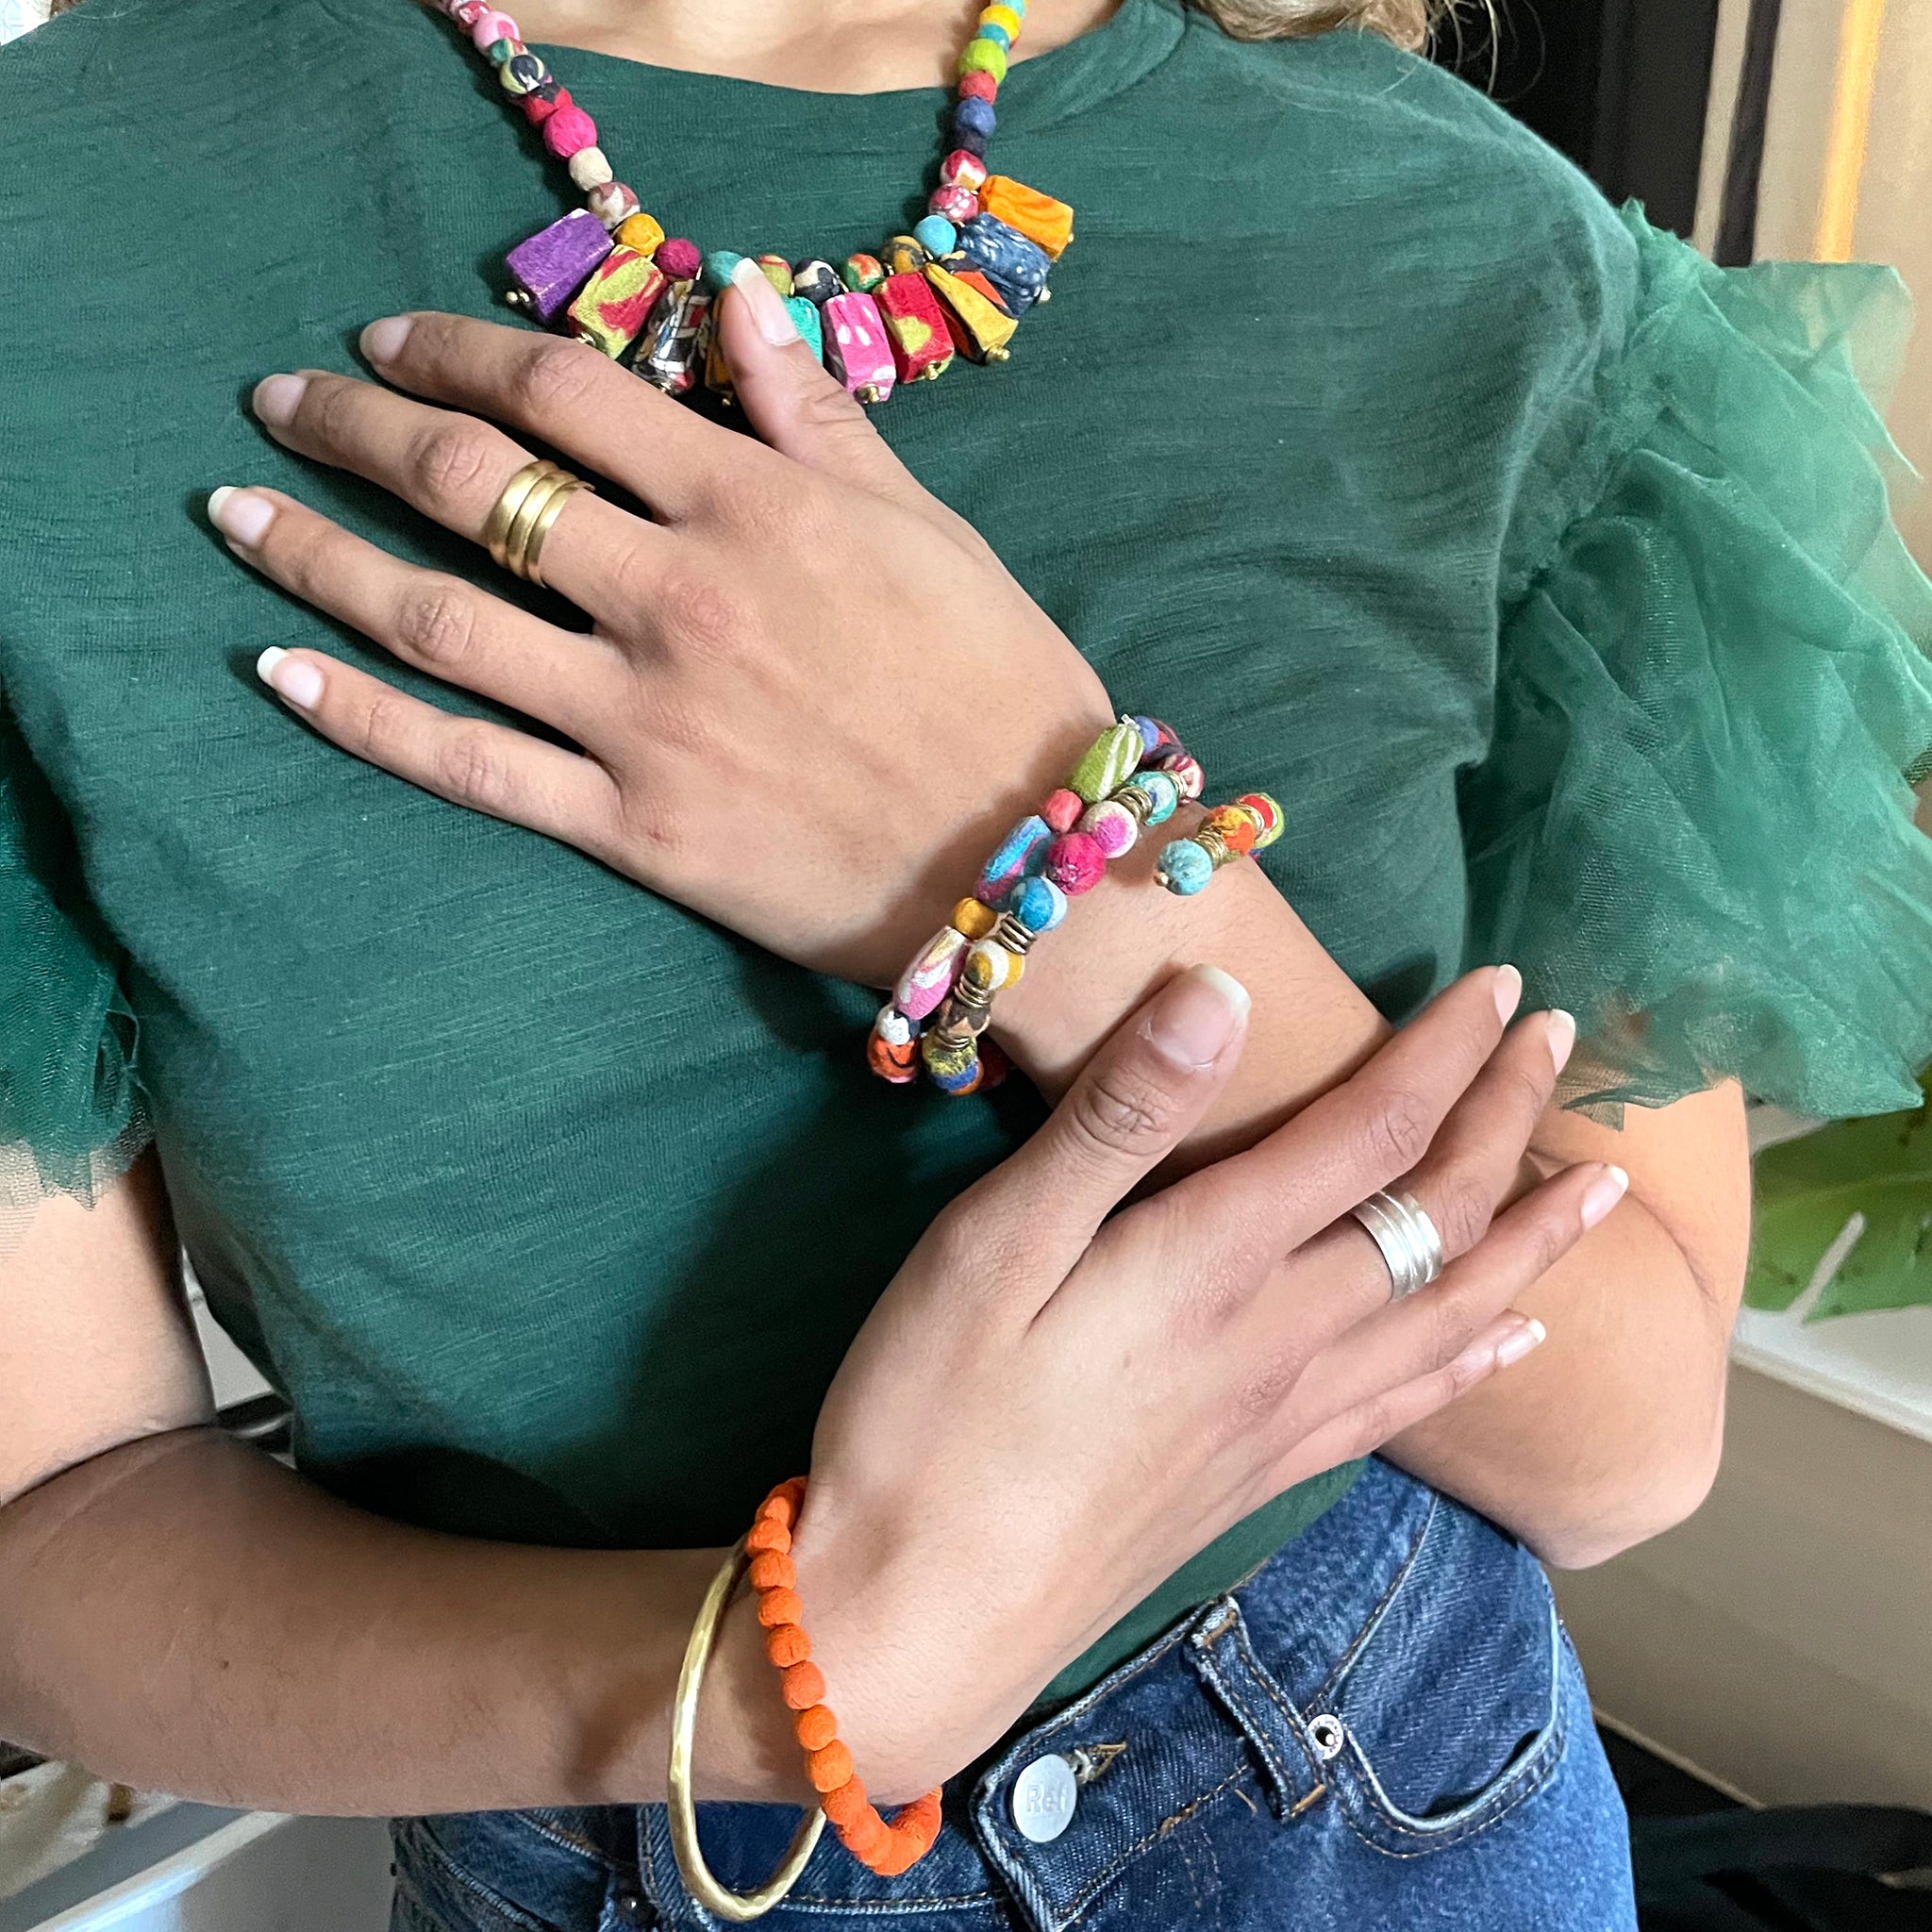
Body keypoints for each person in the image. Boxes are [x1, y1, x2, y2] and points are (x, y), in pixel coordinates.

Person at [4, 0, 1931, 1925]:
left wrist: (1024, 858)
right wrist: (793, 1678)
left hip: (1411, 1815)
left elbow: (1625, 1438)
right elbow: (47, 1526)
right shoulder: (52, 243)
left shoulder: (1471, 244)